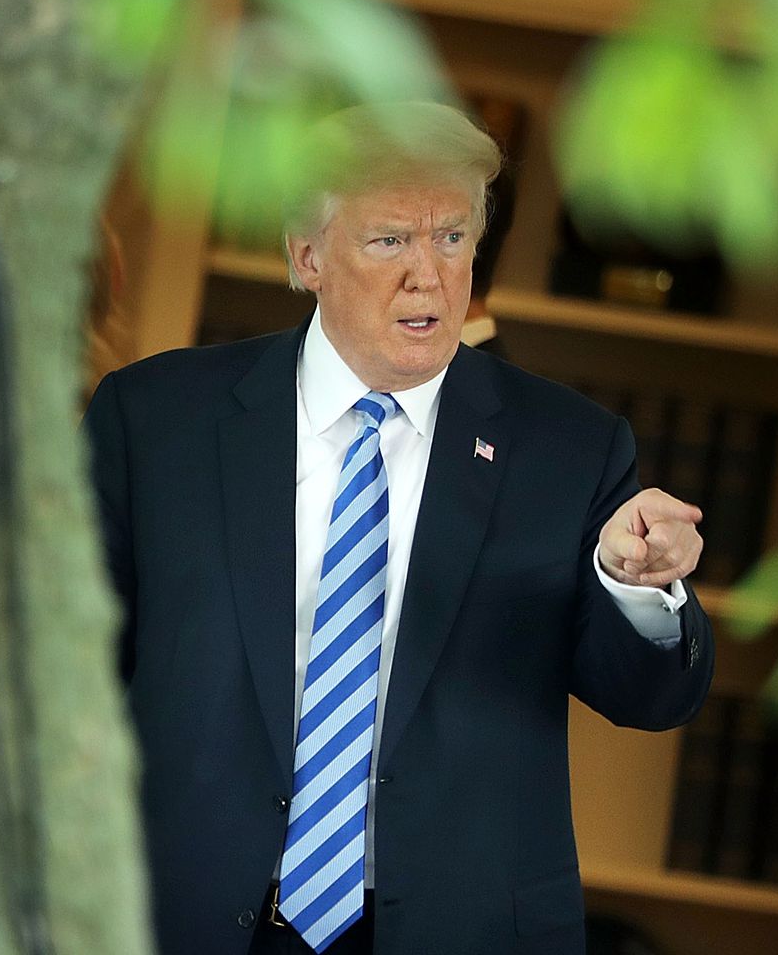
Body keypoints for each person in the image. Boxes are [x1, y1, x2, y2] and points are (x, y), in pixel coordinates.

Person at [84, 100, 714, 955]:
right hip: (184, 915)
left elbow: (650, 697)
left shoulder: (568, 450)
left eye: (451, 238)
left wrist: (638, 587)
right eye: (390, 241)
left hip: (456, 928)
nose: (429, 276)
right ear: (308, 256)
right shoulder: (157, 420)